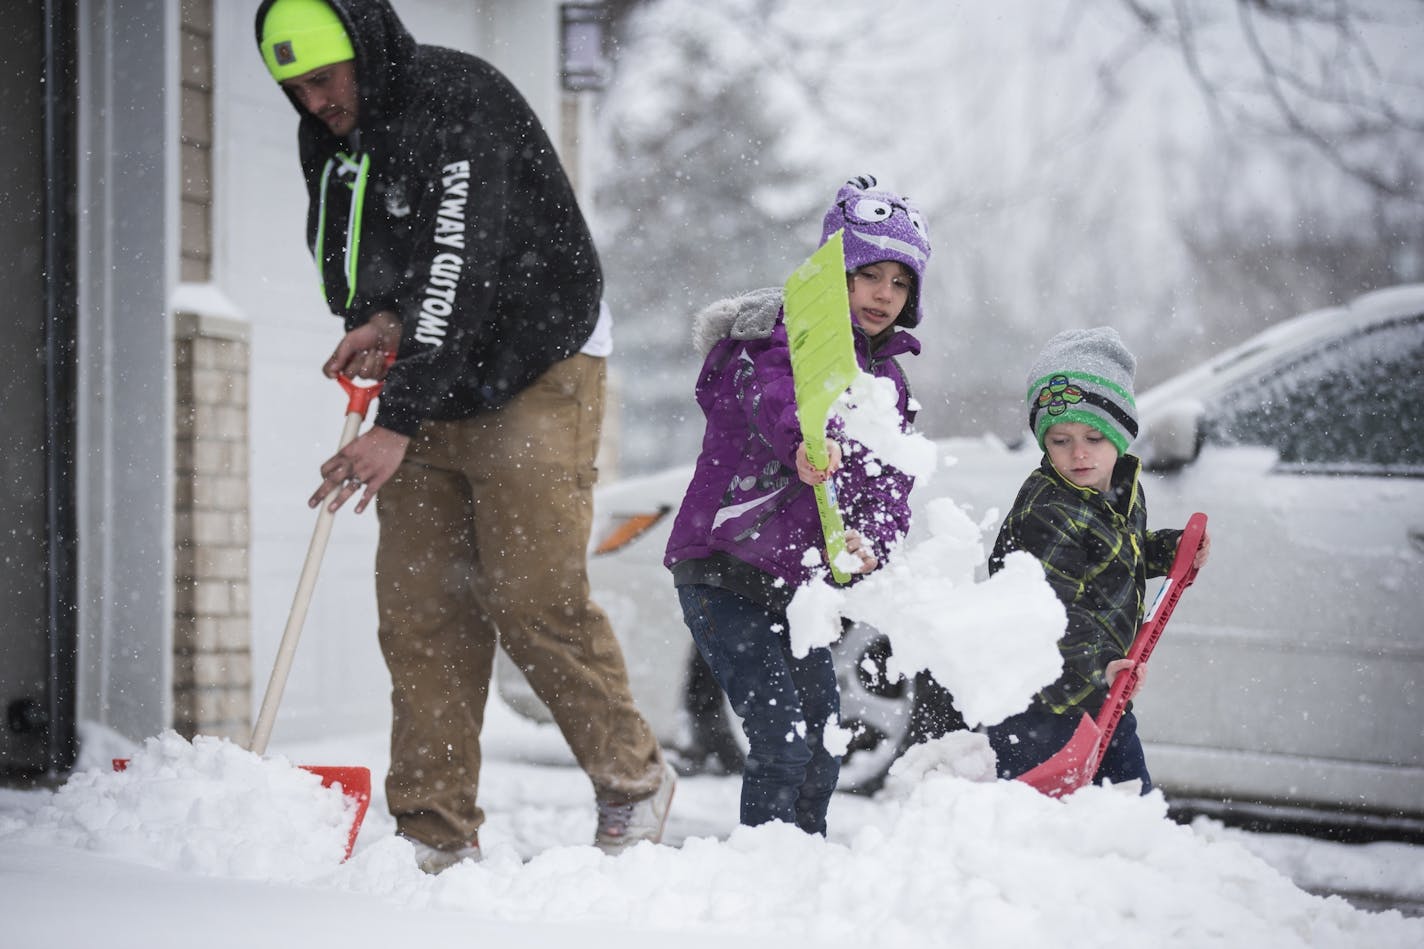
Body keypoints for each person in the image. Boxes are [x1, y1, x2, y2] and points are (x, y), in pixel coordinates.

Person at [253, 0, 673, 871]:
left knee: (528, 593)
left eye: (325, 79)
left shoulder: (458, 100)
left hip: (534, 360)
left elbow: (458, 265)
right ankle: (433, 829)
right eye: (294, 88)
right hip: (432, 367)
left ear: (363, 53)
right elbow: (364, 248)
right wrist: (375, 315)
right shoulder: (331, 130)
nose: (315, 102)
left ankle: (631, 779)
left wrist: (396, 419)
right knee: (422, 610)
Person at [664, 176, 932, 834]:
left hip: (798, 587)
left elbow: (888, 481)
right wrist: (802, 443)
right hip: (723, 569)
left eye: (900, 283)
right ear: (832, 273)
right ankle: (765, 867)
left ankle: (802, 863)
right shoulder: (770, 342)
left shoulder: (888, 383)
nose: (883, 295)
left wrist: (875, 537)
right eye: (869, 274)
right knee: (781, 740)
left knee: (822, 740)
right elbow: (773, 401)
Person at [985, 327, 1211, 792]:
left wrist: (1166, 550)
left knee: (1129, 809)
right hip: (1040, 707)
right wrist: (1104, 663)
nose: (1079, 452)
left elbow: (1112, 554)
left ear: (1121, 435)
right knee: (1039, 826)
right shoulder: (1047, 511)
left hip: (1099, 696)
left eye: (1093, 435)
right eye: (1060, 440)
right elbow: (1053, 612)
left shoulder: (1117, 490)